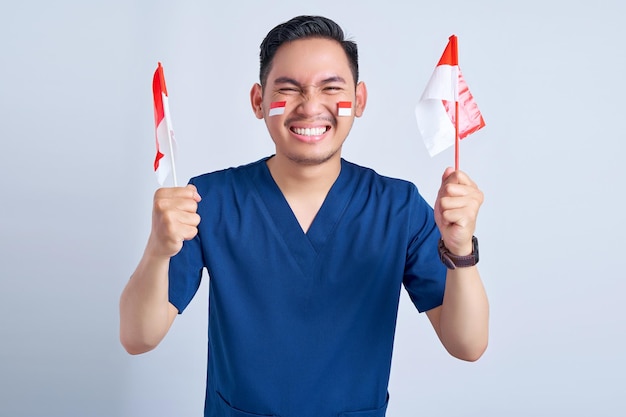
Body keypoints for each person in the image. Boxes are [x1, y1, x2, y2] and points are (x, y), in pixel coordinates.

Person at [120, 15, 489, 417]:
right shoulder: (210, 200)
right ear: (258, 102)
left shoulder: (398, 207)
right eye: (288, 89)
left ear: (359, 100)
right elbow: (138, 337)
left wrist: (461, 250)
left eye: (331, 88)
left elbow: (467, 345)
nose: (311, 106)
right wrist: (158, 250)